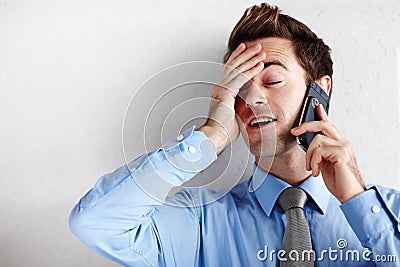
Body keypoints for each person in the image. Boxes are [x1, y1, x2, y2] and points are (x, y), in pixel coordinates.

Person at [69, 3, 400, 266]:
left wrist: (357, 200)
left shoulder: (390, 215)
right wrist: (209, 137)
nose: (253, 99)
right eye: (238, 89)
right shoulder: (199, 222)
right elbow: (95, 223)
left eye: (271, 81)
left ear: (319, 90)